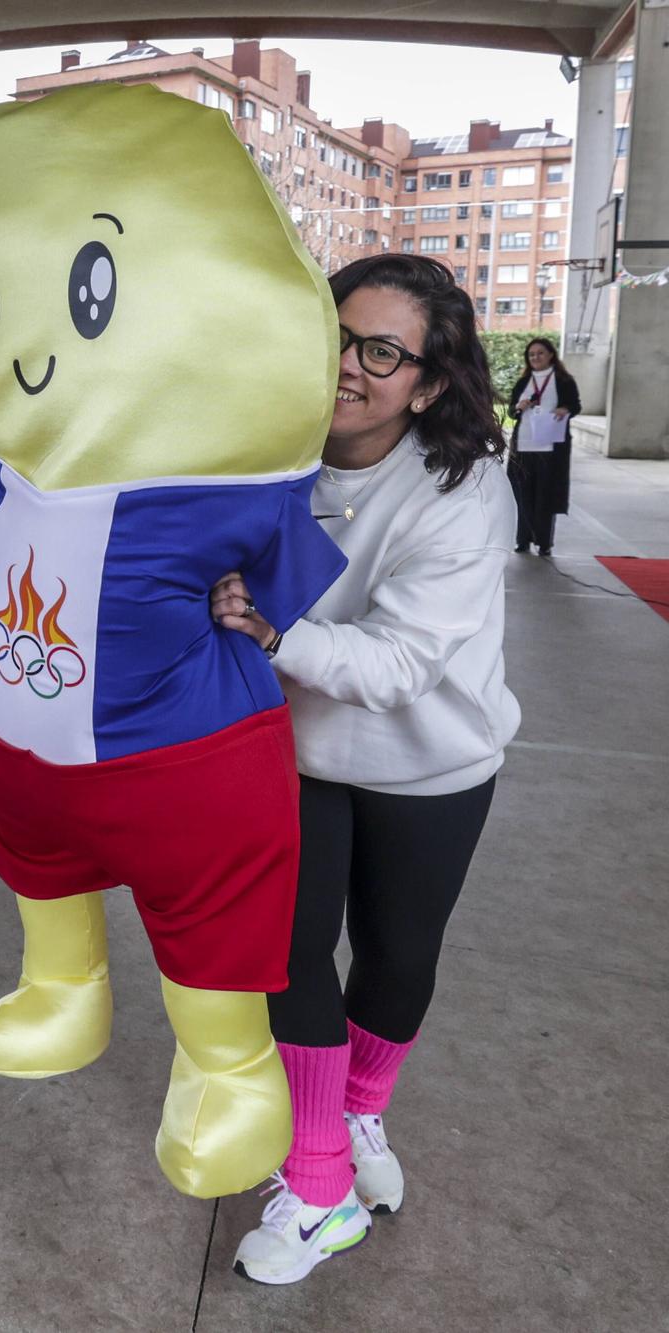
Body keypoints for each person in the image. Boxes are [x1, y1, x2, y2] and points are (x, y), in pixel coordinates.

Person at [210, 255, 518, 1284]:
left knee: (394, 952)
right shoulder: (263, 450)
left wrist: (266, 630)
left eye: (380, 351)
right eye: (335, 336)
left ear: (427, 382)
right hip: (291, 747)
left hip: (425, 758)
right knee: (291, 952)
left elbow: (395, 665)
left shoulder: (460, 489)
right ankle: (317, 1181)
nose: (346, 366)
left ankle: (358, 1113)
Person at [505, 336, 580, 556]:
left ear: (550, 355)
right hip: (524, 446)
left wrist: (565, 409)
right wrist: (518, 407)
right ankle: (523, 539)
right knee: (523, 494)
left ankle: (544, 542)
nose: (535, 357)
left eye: (540, 353)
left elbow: (575, 405)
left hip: (550, 447)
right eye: (531, 355)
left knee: (545, 496)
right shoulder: (523, 382)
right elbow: (511, 411)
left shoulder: (563, 380)